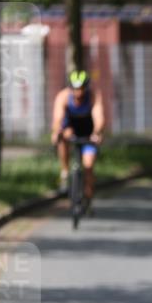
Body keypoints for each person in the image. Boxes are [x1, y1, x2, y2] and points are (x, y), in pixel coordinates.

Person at [51, 70, 105, 208]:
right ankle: (65, 171)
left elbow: (99, 118)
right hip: (70, 129)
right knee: (62, 139)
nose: (78, 94)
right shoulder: (63, 97)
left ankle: (88, 196)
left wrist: (97, 133)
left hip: (88, 132)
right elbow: (57, 119)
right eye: (75, 90)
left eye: (81, 90)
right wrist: (57, 132)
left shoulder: (93, 97)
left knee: (88, 165)